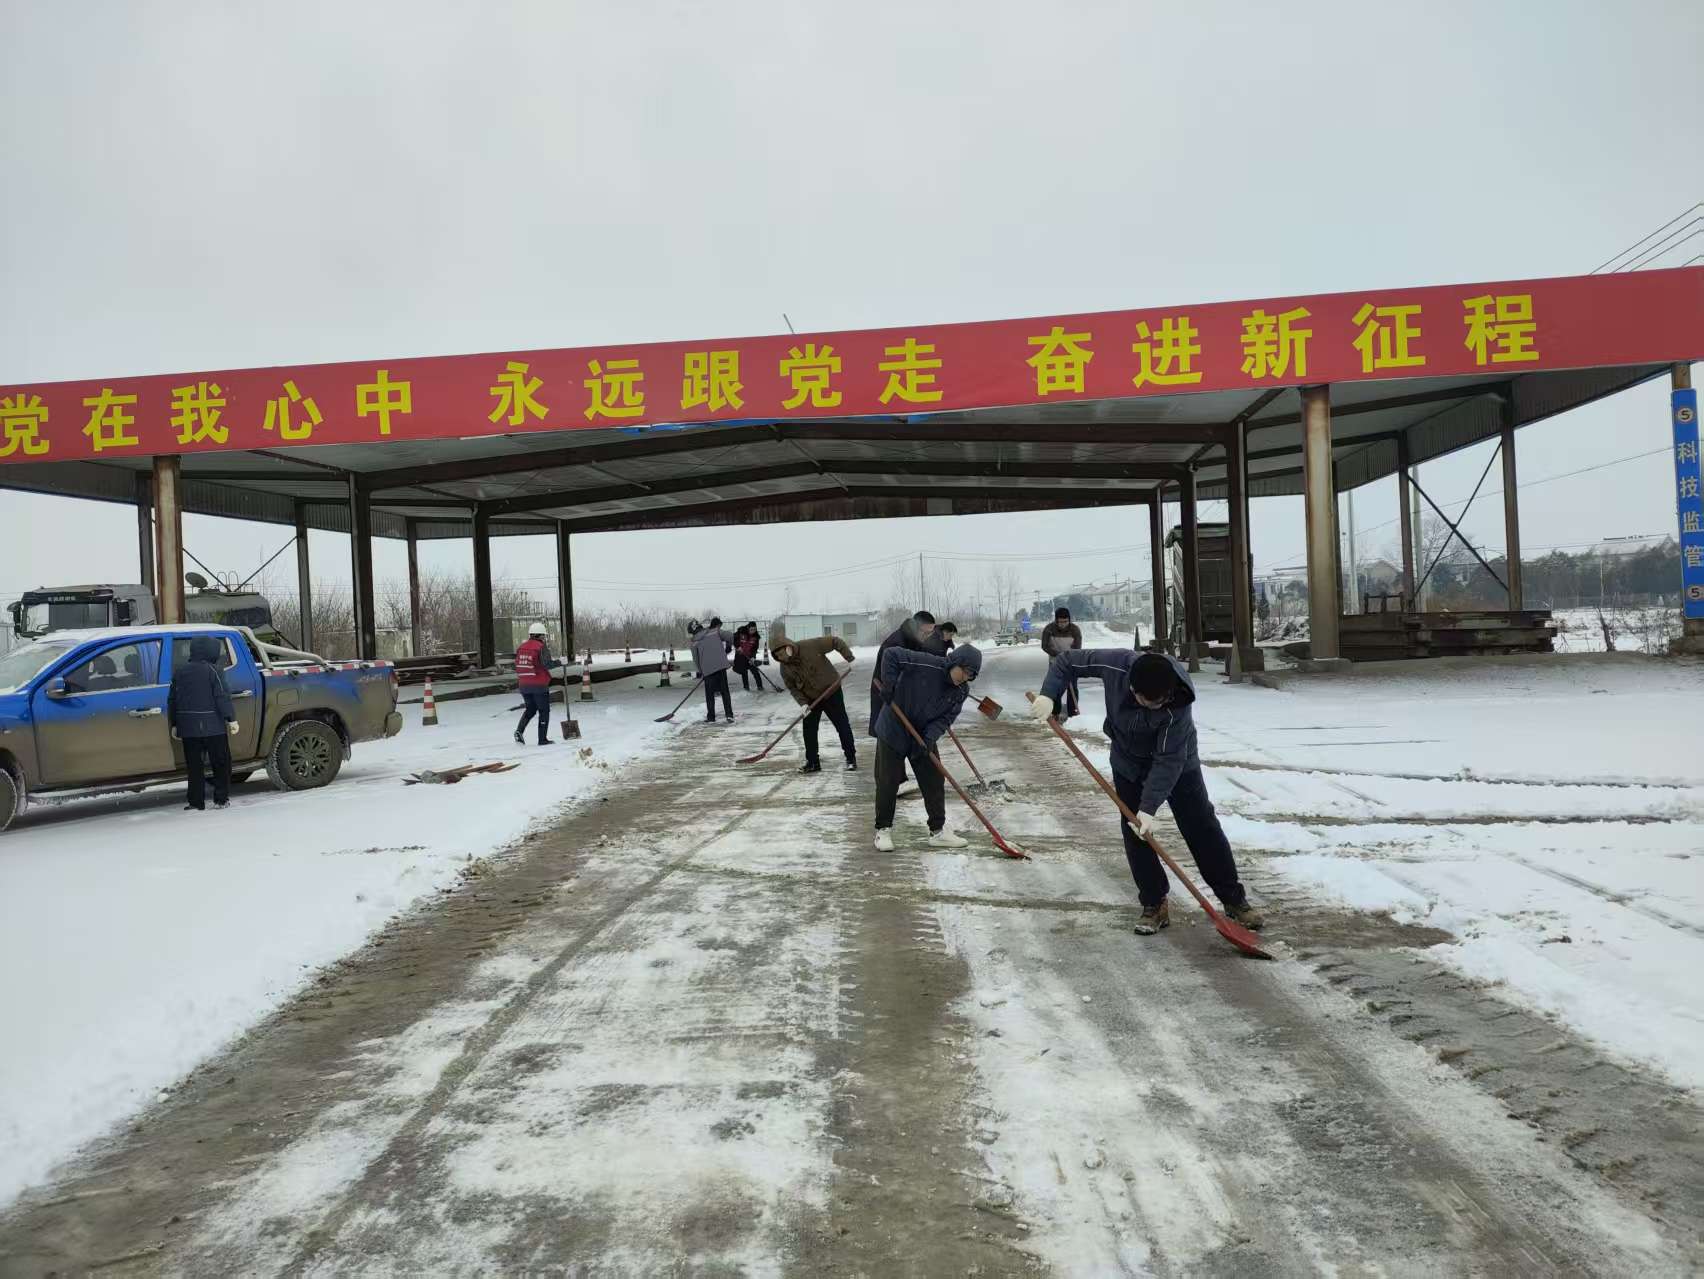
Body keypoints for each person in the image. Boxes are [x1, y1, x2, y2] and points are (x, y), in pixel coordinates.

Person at [1030, 649, 1263, 936]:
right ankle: (1154, 903)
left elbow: (1168, 760)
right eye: (1147, 702)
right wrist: (1049, 695)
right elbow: (1067, 661)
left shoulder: (1178, 701)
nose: (1155, 708)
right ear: (1132, 689)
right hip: (1128, 762)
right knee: (1135, 831)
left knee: (1201, 825)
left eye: (1160, 703)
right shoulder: (1117, 666)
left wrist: (1149, 808)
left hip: (1178, 763)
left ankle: (1233, 899)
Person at [871, 641, 982, 851]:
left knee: (934, 780)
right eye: (965, 671)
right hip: (894, 727)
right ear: (955, 662)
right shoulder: (927, 663)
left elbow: (945, 719)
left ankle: (937, 831)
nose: (965, 678)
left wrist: (930, 738)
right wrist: (889, 684)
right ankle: (883, 830)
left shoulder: (961, 691)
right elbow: (891, 654)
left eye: (971, 676)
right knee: (888, 780)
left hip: (921, 735)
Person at [770, 625, 857, 772]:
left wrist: (850, 658)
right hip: (810, 698)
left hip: (831, 692)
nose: (782, 658)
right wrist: (803, 704)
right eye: (778, 657)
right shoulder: (784, 668)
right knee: (809, 729)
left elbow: (835, 641)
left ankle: (851, 758)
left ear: (788, 647)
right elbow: (792, 688)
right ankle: (812, 762)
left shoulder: (810, 646)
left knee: (842, 725)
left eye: (782, 654)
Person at [168, 634, 238, 811]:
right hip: (213, 728)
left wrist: (174, 723)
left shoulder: (180, 672)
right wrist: (231, 718)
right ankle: (221, 799)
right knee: (221, 763)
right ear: (210, 651)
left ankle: (195, 802)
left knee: (194, 767)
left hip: (189, 728)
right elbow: (222, 696)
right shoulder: (214, 670)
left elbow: (173, 700)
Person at [870, 610, 935, 735]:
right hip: (889, 699)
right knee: (888, 738)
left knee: (918, 741)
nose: (927, 636)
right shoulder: (895, 644)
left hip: (908, 701)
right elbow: (890, 678)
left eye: (930, 633)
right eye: (925, 632)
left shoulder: (917, 641)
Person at [513, 622, 556, 746]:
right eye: (544, 635)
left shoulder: (521, 647)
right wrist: (560, 662)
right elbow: (547, 664)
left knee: (531, 709)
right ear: (540, 635)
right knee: (544, 711)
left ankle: (519, 731)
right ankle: (542, 739)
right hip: (539, 685)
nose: (544, 638)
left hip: (524, 685)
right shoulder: (541, 647)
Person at [1038, 607, 1084, 718]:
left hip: (1071, 663)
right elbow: (1045, 646)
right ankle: (1055, 713)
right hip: (1055, 663)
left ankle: (1073, 714)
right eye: (1060, 622)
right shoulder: (1049, 629)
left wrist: (1068, 657)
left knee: (1072, 688)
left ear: (1069, 620)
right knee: (1055, 688)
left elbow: (1077, 647)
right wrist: (1058, 655)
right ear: (1056, 620)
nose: (1063, 624)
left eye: (1065, 621)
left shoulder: (1075, 630)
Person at [692, 616, 735, 722]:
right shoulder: (715, 632)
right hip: (720, 666)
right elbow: (730, 636)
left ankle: (711, 717)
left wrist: (701, 671)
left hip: (707, 670)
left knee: (710, 695)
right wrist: (728, 646)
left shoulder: (694, 642)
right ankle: (729, 715)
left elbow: (696, 659)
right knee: (725, 692)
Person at [732, 622, 764, 692]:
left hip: (750, 656)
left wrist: (753, 657)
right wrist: (738, 646)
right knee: (744, 672)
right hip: (741, 656)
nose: (753, 631)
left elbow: (755, 648)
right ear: (748, 628)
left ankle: (760, 686)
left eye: (755, 629)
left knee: (755, 671)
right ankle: (746, 687)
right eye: (751, 629)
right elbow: (734, 639)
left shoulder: (756, 637)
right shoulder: (741, 632)